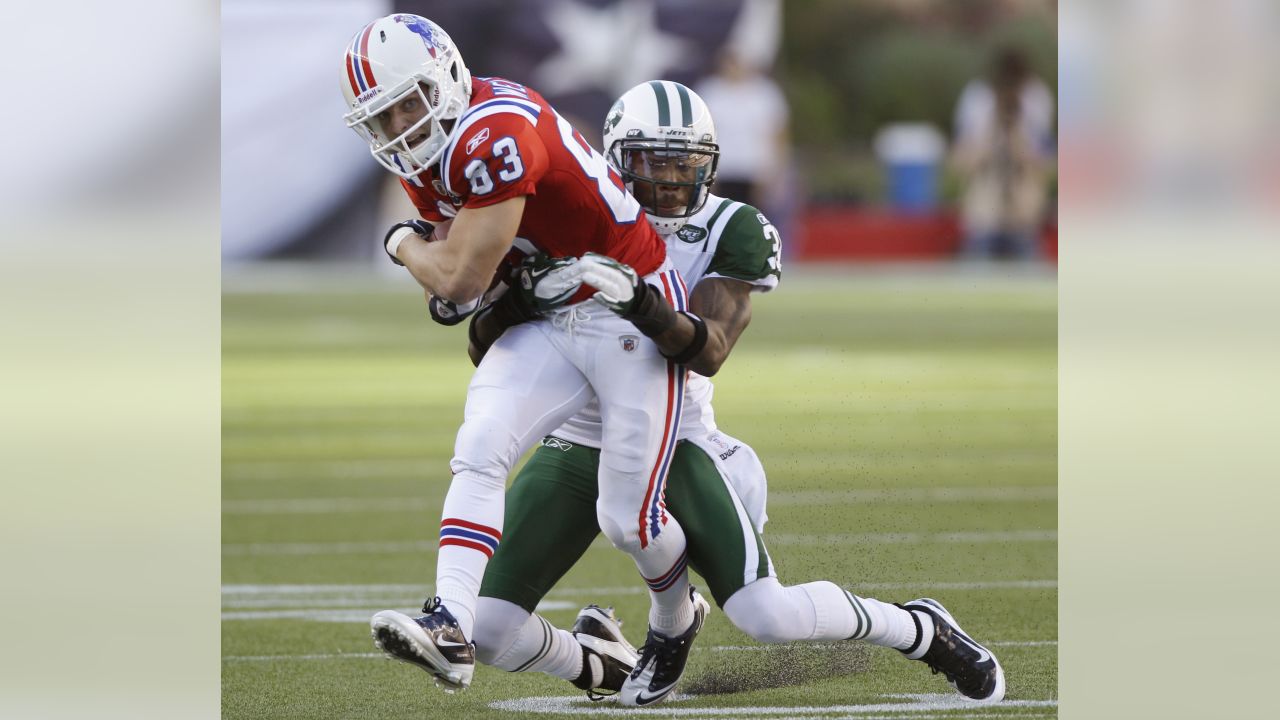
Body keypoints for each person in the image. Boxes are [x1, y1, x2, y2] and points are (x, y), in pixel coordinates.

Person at [458, 81, 1006, 706]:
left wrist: (639, 302)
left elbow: (711, 348)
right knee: (490, 629)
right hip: (577, 439)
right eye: (651, 164)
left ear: (710, 166)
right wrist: (520, 299)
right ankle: (603, 664)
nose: (667, 183)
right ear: (612, 161)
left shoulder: (728, 226)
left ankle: (918, 629)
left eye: (683, 166)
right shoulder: (568, 215)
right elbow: (483, 348)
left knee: (763, 614)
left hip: (677, 438)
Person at [339, 14, 702, 695]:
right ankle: (451, 624)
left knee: (630, 520)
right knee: (480, 440)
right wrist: (441, 265)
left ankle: (676, 618)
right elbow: (450, 297)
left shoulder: (492, 132)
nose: (401, 130)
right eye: (384, 120)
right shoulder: (438, 149)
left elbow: (457, 280)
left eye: (409, 106)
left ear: (444, 78)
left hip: (624, 300)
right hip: (552, 307)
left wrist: (399, 244)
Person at [951, 45, 1055, 260]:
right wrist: (991, 134)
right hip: (985, 211)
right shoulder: (979, 98)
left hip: (1022, 213)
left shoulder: (1036, 97)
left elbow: (1043, 161)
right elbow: (962, 161)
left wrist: (1018, 139)